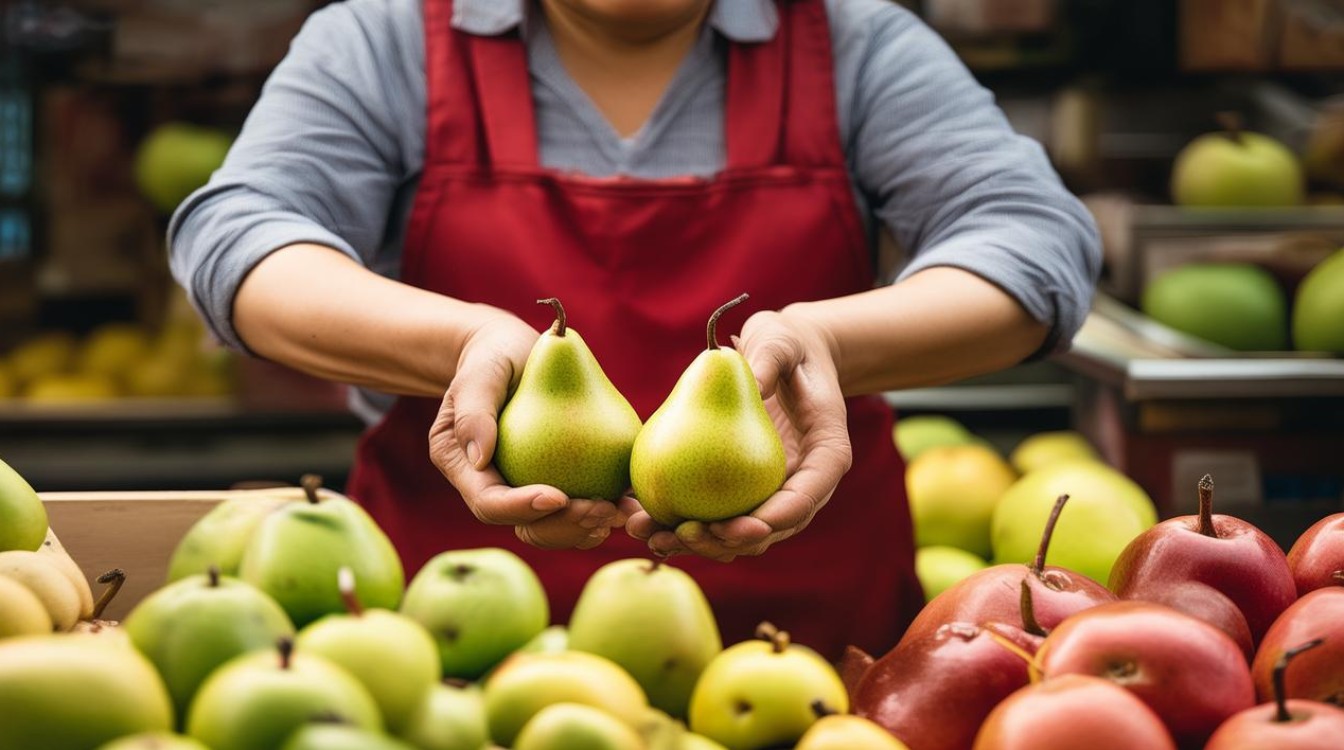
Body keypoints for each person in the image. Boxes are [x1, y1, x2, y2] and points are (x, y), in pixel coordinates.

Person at [169, 0, 1100, 660]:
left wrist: (828, 343)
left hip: (807, 656)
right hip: (444, 659)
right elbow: (241, 237)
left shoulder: (856, 45)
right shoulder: (383, 40)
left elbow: (1036, 241)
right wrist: (460, 344)